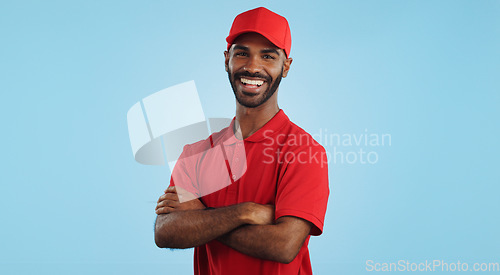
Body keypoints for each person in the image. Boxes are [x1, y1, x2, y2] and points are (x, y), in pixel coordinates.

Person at [154, 7, 329, 275]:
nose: (253, 66)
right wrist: (245, 212)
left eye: (268, 56)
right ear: (227, 60)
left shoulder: (304, 152)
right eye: (242, 53)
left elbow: (284, 245)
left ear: (286, 66)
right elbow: (165, 232)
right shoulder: (196, 153)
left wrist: (201, 216)